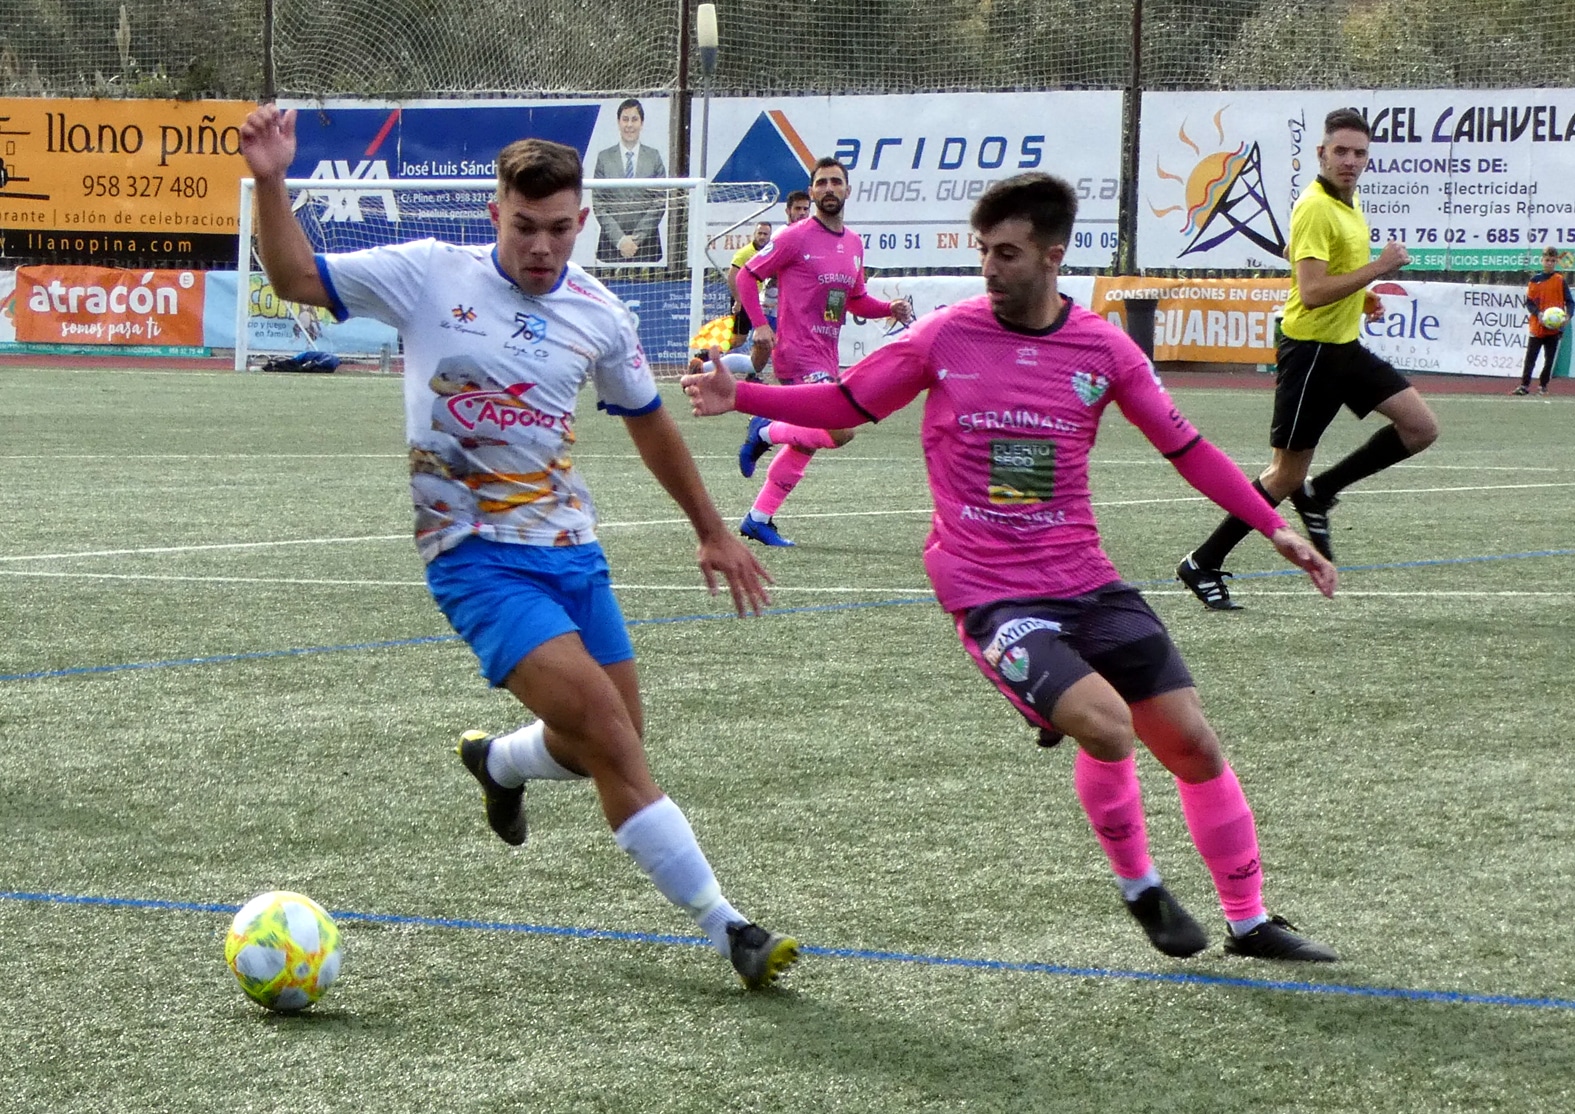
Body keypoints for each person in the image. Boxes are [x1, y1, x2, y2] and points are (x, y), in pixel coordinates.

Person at [684, 172, 1341, 963]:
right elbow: (847, 404)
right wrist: (745, 396)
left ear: (1053, 257)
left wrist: (1273, 527)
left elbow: (1185, 447)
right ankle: (1140, 887)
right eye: (982, 252)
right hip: (986, 588)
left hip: (1086, 578)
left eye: (1006, 253)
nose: (989, 268)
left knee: (1194, 745)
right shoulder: (944, 337)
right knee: (1106, 727)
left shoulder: (1103, 348)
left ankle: (1249, 921)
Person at [237, 103, 799, 991]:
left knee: (597, 746)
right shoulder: (429, 275)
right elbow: (297, 275)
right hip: (473, 557)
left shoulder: (601, 314)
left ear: (581, 222)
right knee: (613, 741)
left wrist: (711, 530)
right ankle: (729, 927)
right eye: (526, 227)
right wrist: (271, 179)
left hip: (573, 553)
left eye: (560, 229)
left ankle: (497, 762)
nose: (543, 247)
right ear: (494, 215)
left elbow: (648, 422)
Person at [1176, 107, 1439, 610]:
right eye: (1340, 151)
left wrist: (1363, 295)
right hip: (1312, 353)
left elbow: (1331, 277)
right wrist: (1378, 269)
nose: (1350, 160)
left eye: (1359, 152)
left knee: (1420, 428)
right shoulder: (1316, 207)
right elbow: (1313, 292)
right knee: (1283, 476)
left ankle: (1321, 494)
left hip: (1342, 349)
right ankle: (1202, 562)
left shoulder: (1347, 202)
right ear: (1321, 153)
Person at [732, 158, 915, 546]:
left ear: (848, 191)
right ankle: (763, 430)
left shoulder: (853, 243)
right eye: (822, 183)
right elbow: (747, 275)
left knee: (806, 441)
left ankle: (758, 517)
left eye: (836, 182)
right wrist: (760, 325)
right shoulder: (794, 237)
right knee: (839, 429)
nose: (829, 188)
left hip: (825, 354)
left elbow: (856, 300)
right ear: (812, 192)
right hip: (797, 353)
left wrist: (888, 309)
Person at [747, 190, 813, 379]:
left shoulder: (808, 234)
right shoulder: (782, 235)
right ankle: (707, 368)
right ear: (788, 211)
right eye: (798, 208)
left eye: (806, 209)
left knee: (786, 357)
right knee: (761, 358)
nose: (802, 213)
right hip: (773, 304)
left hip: (794, 307)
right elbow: (759, 271)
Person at [592, 98, 667, 263]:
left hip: (647, 246)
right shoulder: (604, 158)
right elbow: (598, 203)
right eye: (625, 119)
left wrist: (636, 240)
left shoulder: (654, 157)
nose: (629, 125)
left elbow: (660, 202)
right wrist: (620, 240)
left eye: (634, 119)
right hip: (610, 247)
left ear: (642, 123)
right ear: (618, 122)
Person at [1514, 245, 1571, 397]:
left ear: (1556, 262)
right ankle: (1524, 385)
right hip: (1537, 327)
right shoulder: (1535, 280)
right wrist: (1537, 313)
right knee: (1530, 358)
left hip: (1554, 328)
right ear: (1542, 260)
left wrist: (1568, 316)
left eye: (1553, 261)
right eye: (1547, 260)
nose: (1550, 263)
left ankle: (1543, 385)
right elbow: (1529, 302)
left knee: (1549, 359)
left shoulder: (1560, 280)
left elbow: (1570, 301)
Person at [727, 221, 774, 365]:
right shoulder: (744, 253)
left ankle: (753, 372)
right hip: (744, 299)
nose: (762, 237)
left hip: (759, 300)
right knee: (738, 340)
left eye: (765, 234)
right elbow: (732, 276)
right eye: (759, 233)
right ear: (754, 234)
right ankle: (709, 353)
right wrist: (738, 300)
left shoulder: (770, 252)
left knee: (760, 337)